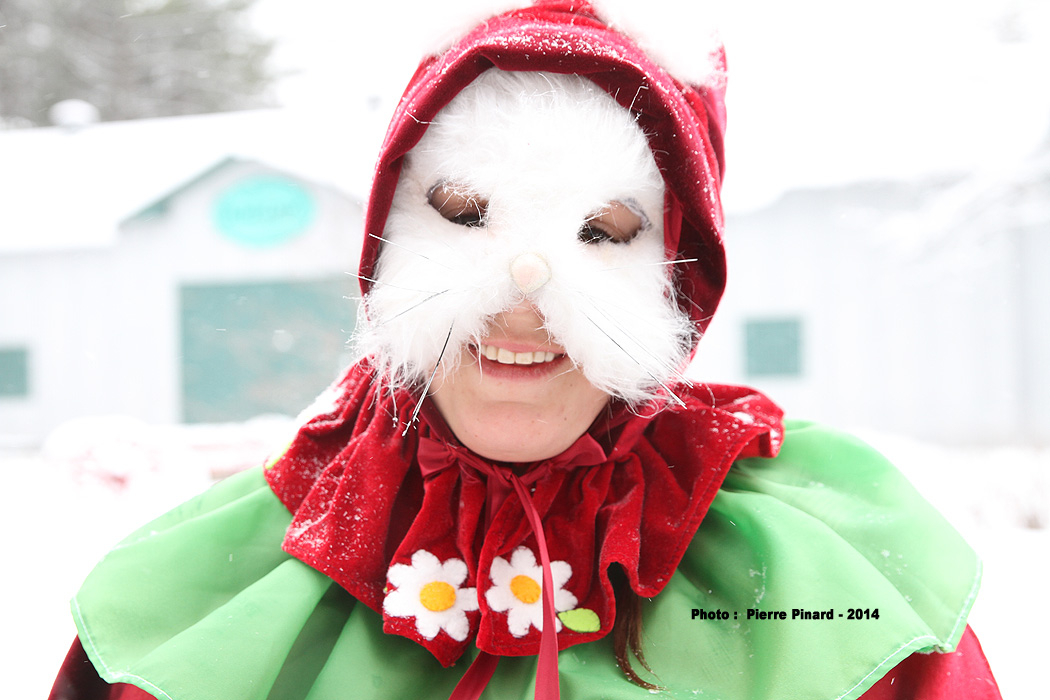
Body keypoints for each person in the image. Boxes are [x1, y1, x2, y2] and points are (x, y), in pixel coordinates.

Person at [51, 2, 1002, 699]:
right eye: (464, 214)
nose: (523, 299)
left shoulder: (816, 573)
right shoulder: (232, 577)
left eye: (606, 229)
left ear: (680, 275)